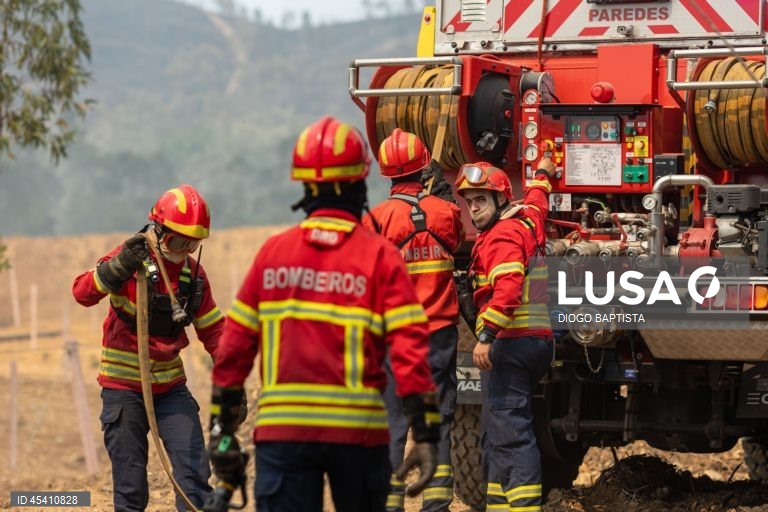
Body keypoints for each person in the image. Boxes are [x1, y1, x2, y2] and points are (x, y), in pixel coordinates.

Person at [207, 116, 441, 512]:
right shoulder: (379, 257)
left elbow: (233, 351)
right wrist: (426, 433)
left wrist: (222, 431)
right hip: (359, 438)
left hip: (284, 436)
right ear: (358, 183)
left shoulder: (273, 254)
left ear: (305, 185)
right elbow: (410, 354)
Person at [72, 184, 225, 512]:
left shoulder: (194, 278)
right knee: (130, 489)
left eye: (192, 243)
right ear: (158, 231)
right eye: (176, 241)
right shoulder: (130, 259)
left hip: (171, 390)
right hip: (123, 391)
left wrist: (234, 381)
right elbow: (82, 293)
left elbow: (214, 332)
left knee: (195, 477)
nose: (184, 250)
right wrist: (117, 268)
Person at [362, 128, 464, 512]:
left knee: (392, 425)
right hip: (437, 337)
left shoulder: (376, 219)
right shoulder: (444, 213)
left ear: (387, 174)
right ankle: (435, 506)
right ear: (426, 170)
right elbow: (455, 241)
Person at [454, 158, 556, 511]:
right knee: (496, 433)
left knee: (510, 435)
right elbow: (538, 199)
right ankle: (498, 504)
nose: (473, 208)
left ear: (499, 200)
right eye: (469, 201)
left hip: (511, 343)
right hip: (536, 341)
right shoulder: (526, 217)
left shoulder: (500, 236)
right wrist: (544, 174)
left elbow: (509, 288)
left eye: (480, 199)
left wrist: (487, 337)